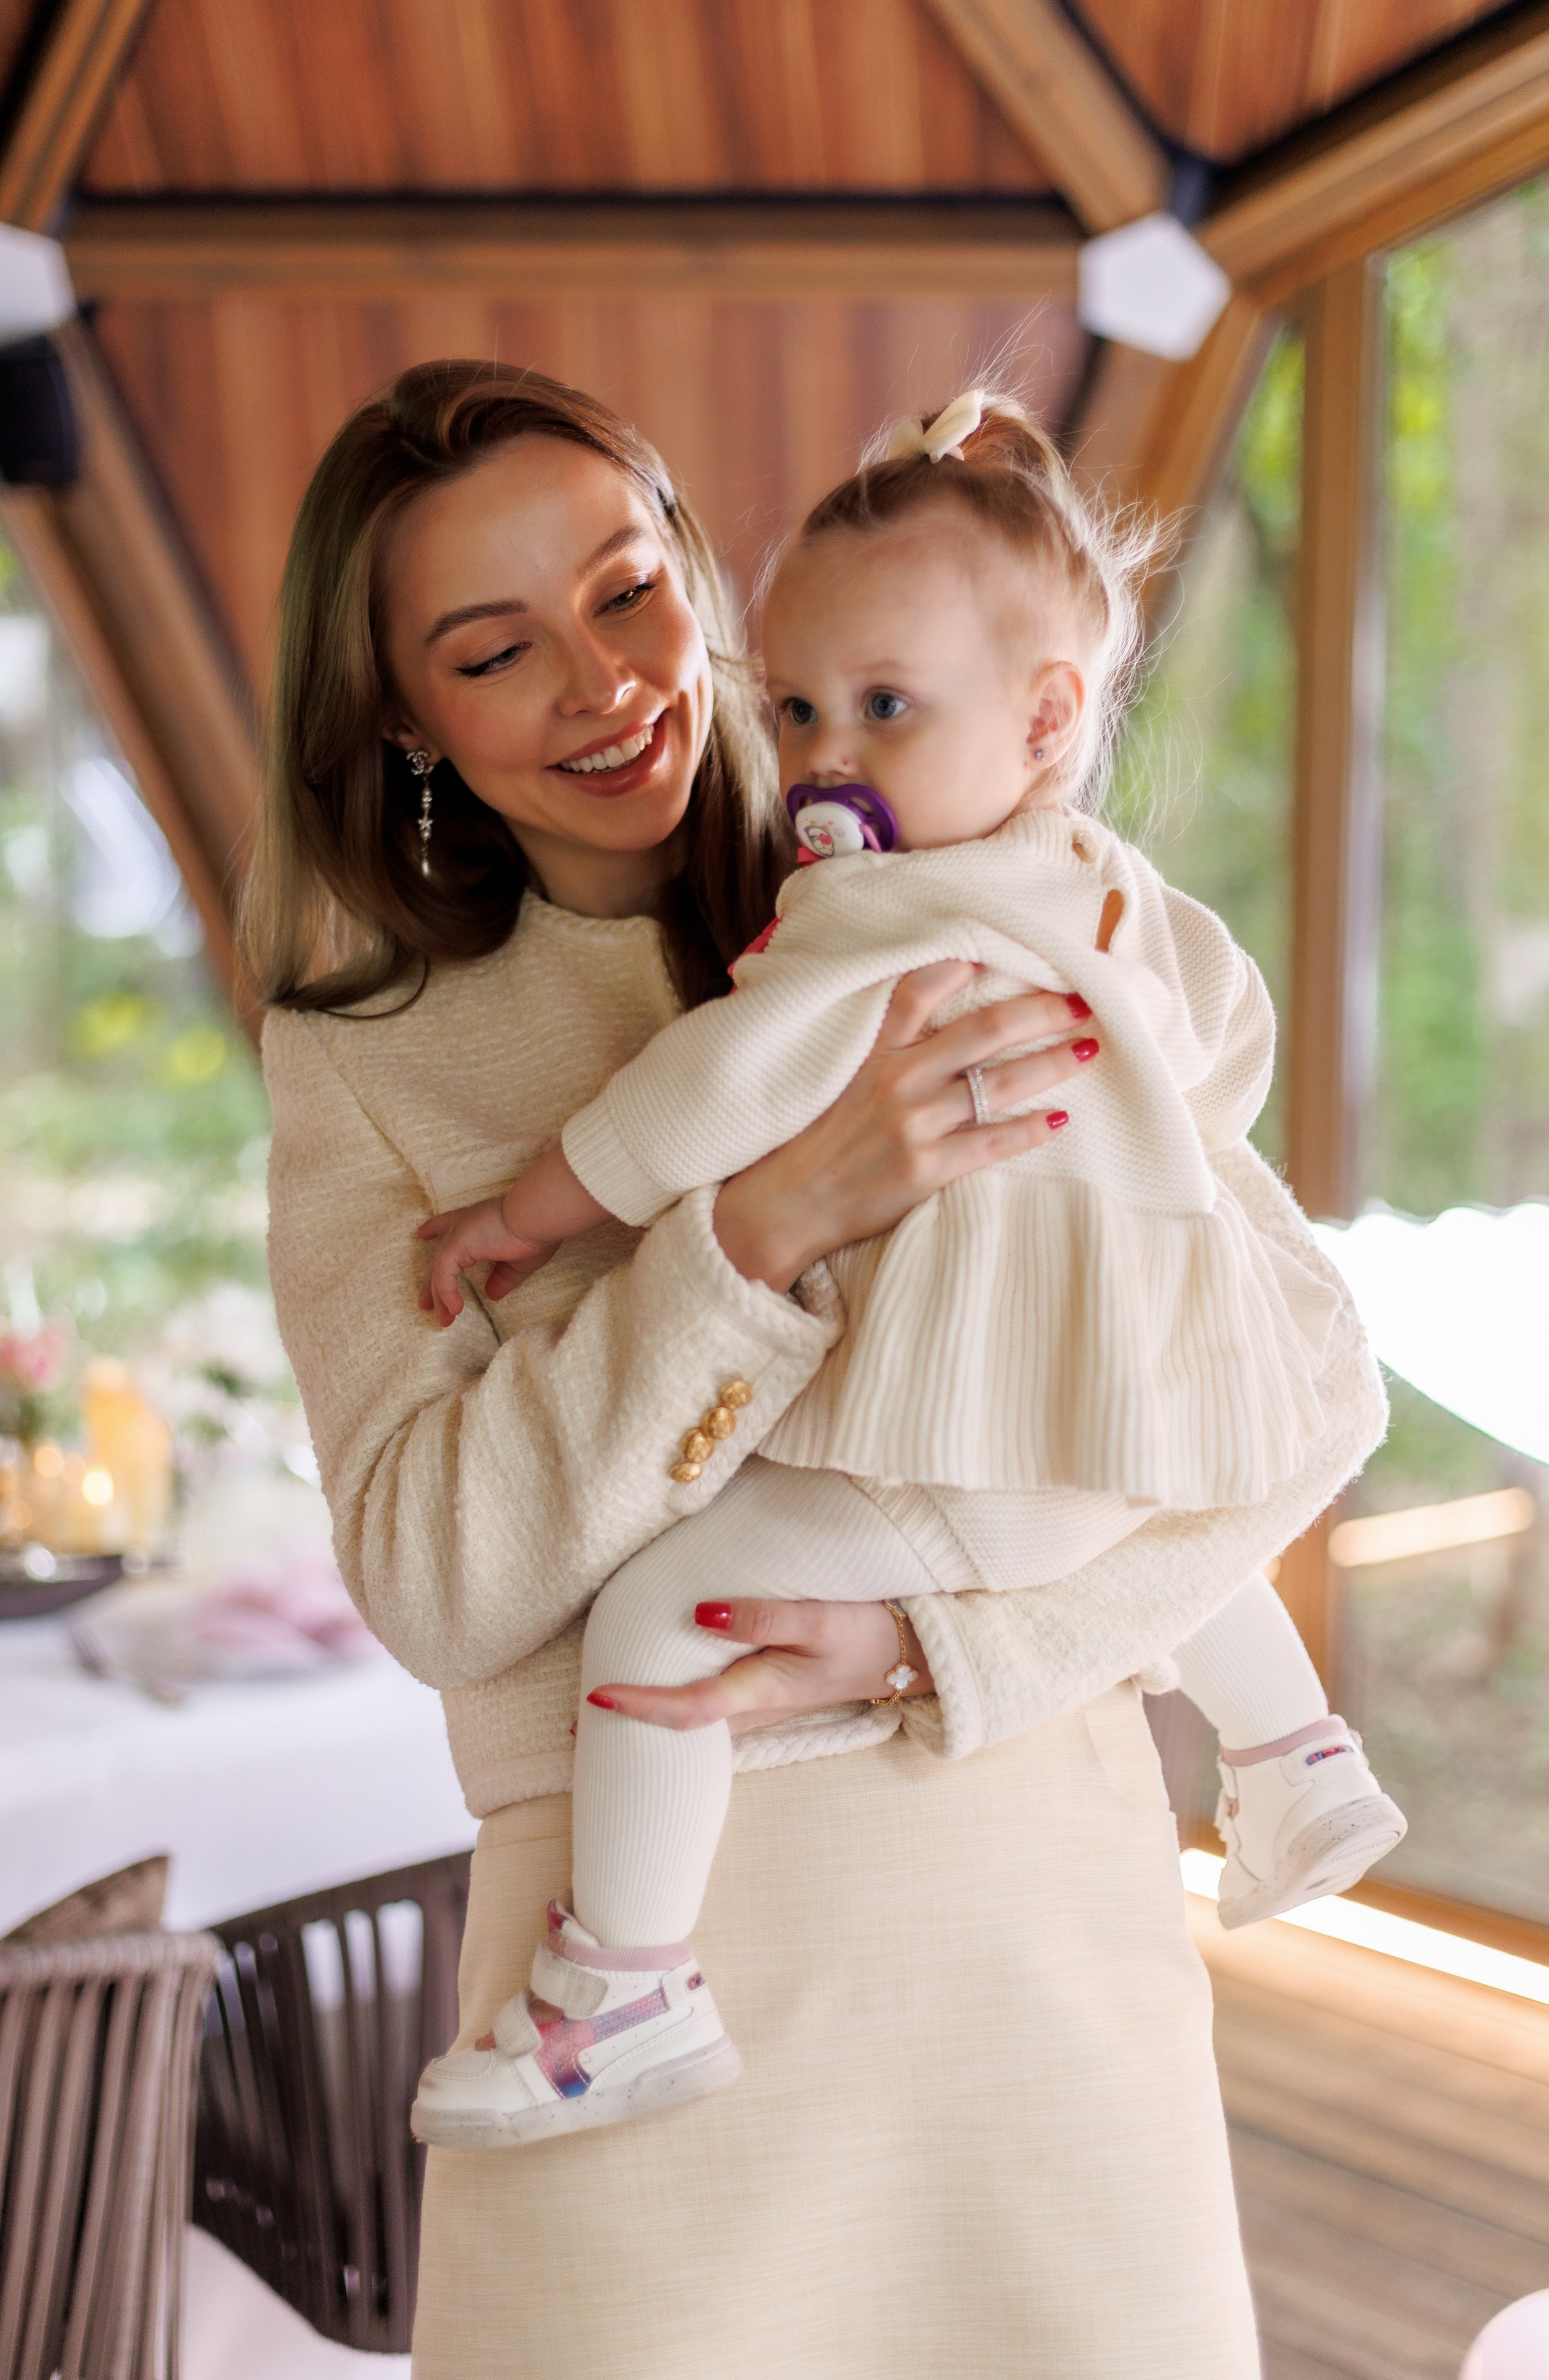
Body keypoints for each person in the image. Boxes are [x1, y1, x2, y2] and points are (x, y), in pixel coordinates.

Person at [250, 357, 1385, 2379]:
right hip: (645, 2053)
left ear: (706, 580)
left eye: (626, 594)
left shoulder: (984, 899)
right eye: (497, 648)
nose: (603, 685)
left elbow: (1274, 1408)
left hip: (1035, 1936)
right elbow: (439, 1579)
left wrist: (947, 1642)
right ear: (408, 721)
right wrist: (755, 1235)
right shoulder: (371, 1070)